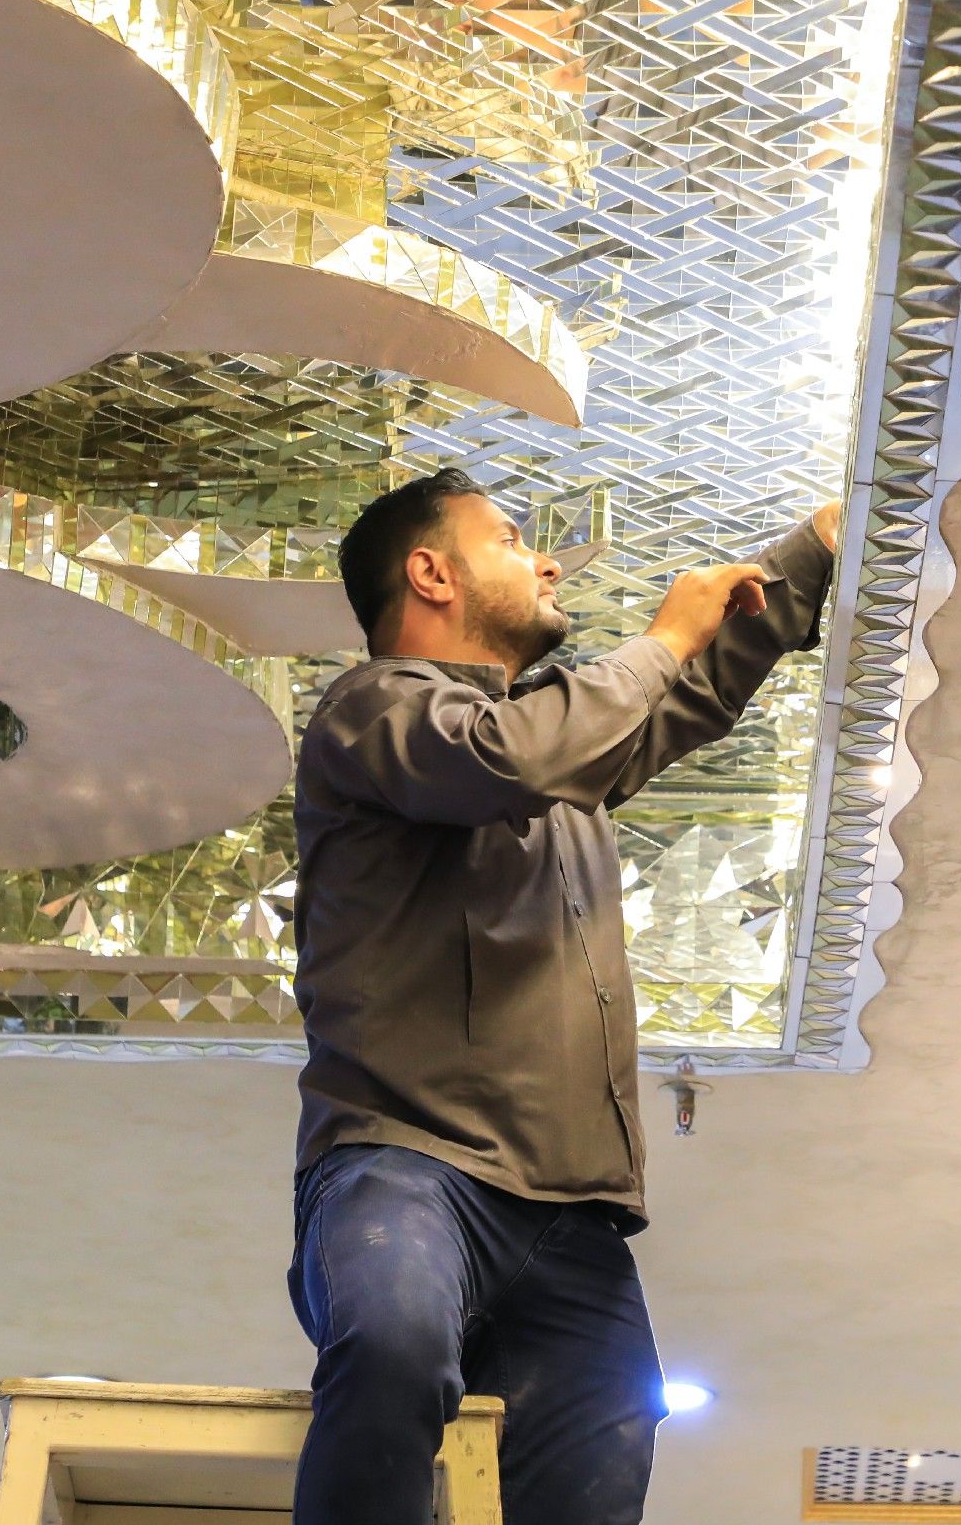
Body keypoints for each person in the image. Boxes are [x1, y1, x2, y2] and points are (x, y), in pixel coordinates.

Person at [286, 466, 840, 1524]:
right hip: (411, 1166)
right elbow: (508, 757)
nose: (543, 562)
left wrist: (810, 550)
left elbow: (683, 697)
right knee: (394, 1345)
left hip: (570, 1213)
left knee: (605, 1456)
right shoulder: (375, 710)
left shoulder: (557, 751)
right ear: (431, 573)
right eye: (509, 540)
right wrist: (662, 637)